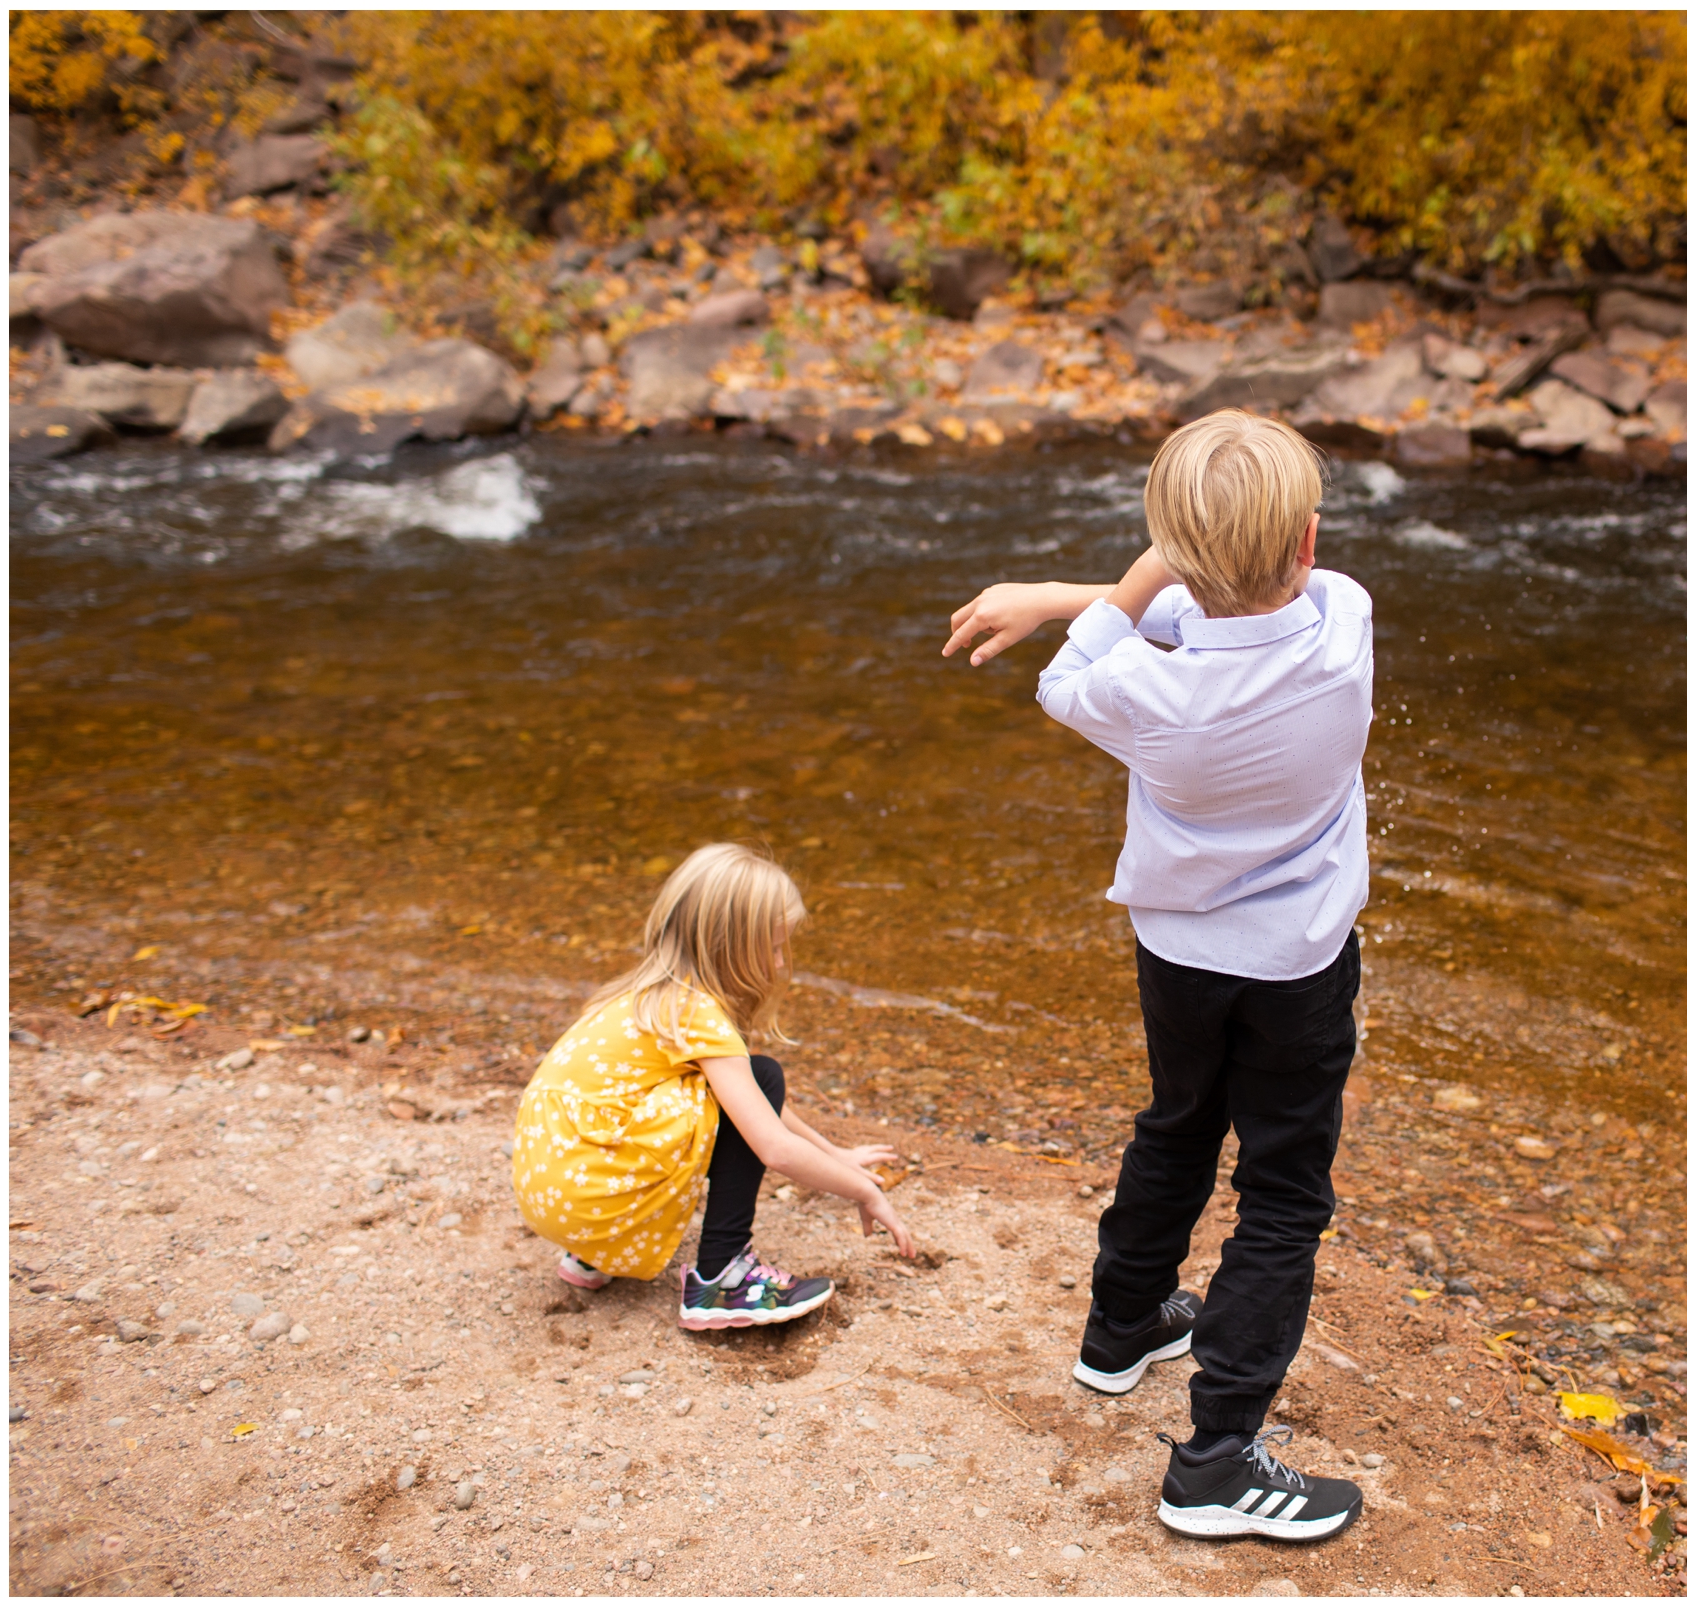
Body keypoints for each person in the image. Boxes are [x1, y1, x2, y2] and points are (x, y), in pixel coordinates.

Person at [943, 409, 1369, 1542]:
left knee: (1178, 1123)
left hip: (1178, 952)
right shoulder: (1345, 627)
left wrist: (1061, 593)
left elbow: (1121, 632)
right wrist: (1132, 573)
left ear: (1170, 546)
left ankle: (1123, 1323)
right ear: (1309, 545)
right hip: (1297, 964)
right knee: (1282, 1194)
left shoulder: (1127, 691)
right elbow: (1223, 589)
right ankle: (1217, 1462)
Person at [512, 842, 915, 1330]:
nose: (783, 963)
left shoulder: (641, 998)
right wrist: (860, 1191)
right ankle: (722, 1278)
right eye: (773, 946)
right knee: (765, 1073)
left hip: (558, 1196)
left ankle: (591, 1256)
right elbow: (773, 1145)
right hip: (598, 1201)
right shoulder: (696, 1012)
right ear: (732, 947)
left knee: (739, 1086)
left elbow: (751, 1108)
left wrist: (835, 1154)